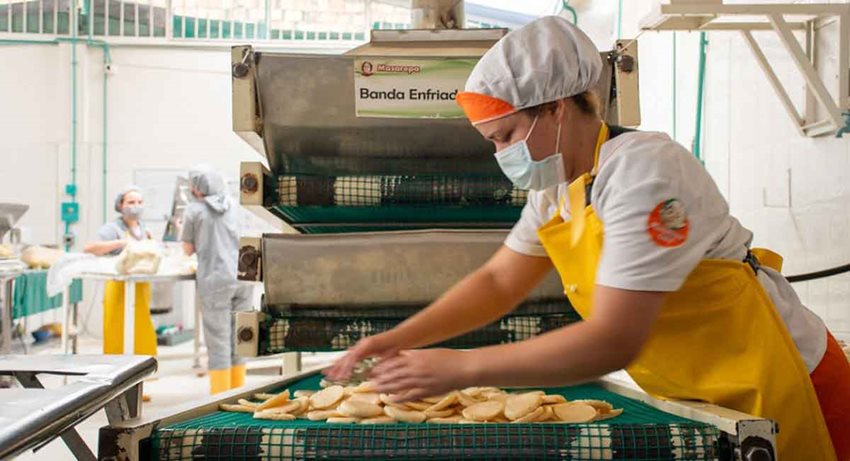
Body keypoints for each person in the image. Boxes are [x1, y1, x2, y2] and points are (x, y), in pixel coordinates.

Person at [325, 16, 850, 460]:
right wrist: (396, 339)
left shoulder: (645, 173)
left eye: (506, 136)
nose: (501, 154)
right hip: (704, 396)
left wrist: (461, 367)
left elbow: (614, 339)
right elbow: (499, 282)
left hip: (789, 385)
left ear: (555, 107)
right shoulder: (558, 190)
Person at [181, 164, 252, 394]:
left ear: (197, 187)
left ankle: (221, 395)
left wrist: (183, 229)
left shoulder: (194, 210)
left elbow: (187, 249)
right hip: (243, 276)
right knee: (241, 335)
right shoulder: (234, 205)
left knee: (218, 338)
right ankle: (239, 392)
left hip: (216, 280)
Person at [84, 185, 157, 356]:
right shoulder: (113, 228)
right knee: (117, 326)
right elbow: (89, 248)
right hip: (119, 286)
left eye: (139, 202)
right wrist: (121, 243)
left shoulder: (144, 229)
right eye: (131, 202)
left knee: (141, 326)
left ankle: (144, 364)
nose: (136, 206)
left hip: (140, 285)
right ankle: (116, 365)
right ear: (120, 205)